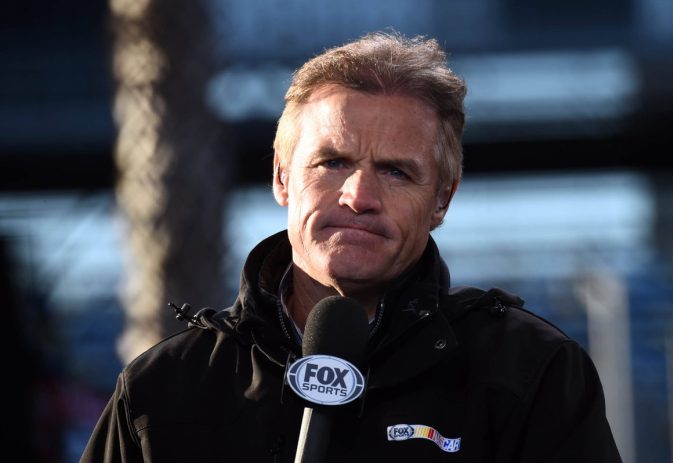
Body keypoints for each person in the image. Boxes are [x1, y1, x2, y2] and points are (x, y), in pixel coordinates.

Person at [80, 31, 623, 462]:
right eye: (333, 162)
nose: (359, 196)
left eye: (395, 172)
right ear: (283, 177)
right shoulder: (163, 390)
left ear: (442, 200)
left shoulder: (531, 372)